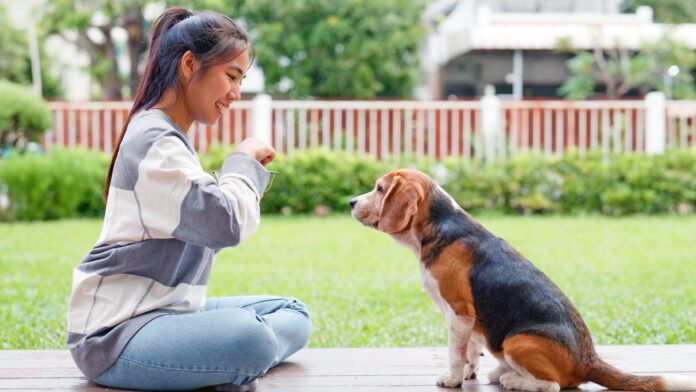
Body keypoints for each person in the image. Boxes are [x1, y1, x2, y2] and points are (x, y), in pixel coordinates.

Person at [66, 7, 311, 391]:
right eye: (231, 76)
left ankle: (208, 363)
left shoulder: (168, 136)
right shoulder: (153, 141)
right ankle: (221, 361)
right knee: (252, 339)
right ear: (189, 64)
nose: (236, 94)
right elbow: (225, 223)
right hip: (114, 334)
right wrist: (241, 163)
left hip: (169, 311)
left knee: (293, 313)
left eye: (241, 80)